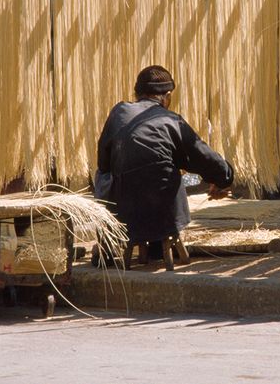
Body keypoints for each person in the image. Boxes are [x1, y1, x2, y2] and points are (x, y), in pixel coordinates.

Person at [96, 65, 234, 253]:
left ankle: (111, 240)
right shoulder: (171, 120)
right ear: (167, 95)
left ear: (137, 94)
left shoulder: (118, 112)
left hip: (124, 214)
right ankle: (156, 243)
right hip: (164, 216)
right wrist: (223, 179)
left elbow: (103, 163)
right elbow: (202, 156)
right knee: (167, 168)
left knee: (105, 175)